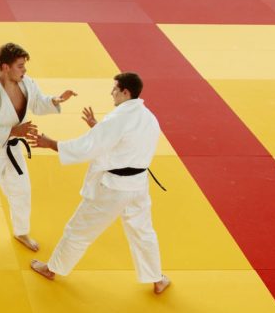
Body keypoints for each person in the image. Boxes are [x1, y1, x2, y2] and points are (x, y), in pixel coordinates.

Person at [29, 72, 170, 294]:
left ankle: (52, 268)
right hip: (138, 185)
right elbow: (126, 145)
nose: (111, 93)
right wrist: (98, 127)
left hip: (113, 188)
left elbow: (88, 147)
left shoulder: (118, 118)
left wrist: (51, 144)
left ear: (125, 92)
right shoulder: (148, 116)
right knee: (143, 232)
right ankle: (157, 279)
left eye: (114, 89)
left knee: (79, 229)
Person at [0, 43, 76, 251]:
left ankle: (21, 231)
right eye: (20, 66)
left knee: (21, 190)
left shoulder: (25, 83)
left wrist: (56, 99)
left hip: (11, 149)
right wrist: (14, 131)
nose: (24, 70)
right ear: (5, 67)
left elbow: (38, 102)